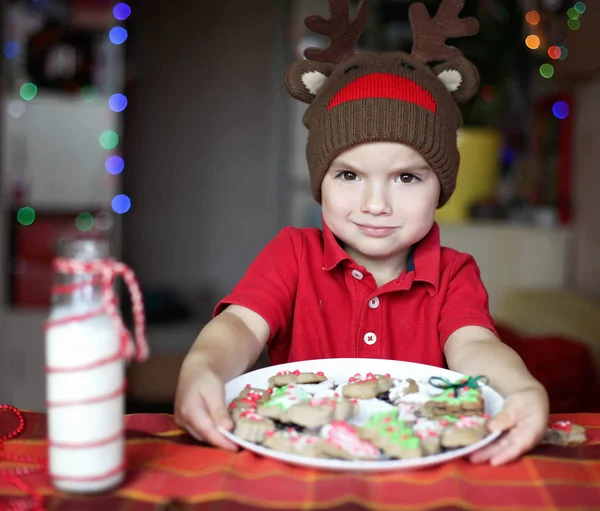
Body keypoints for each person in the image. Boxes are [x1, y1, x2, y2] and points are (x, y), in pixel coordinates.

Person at [174, 0, 549, 465]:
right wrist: (201, 368)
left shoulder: (453, 273)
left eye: (407, 178)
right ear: (320, 182)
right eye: (349, 175)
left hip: (417, 474)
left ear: (441, 188)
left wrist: (522, 389)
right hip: (294, 466)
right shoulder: (292, 254)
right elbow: (238, 327)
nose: (375, 204)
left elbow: (476, 347)